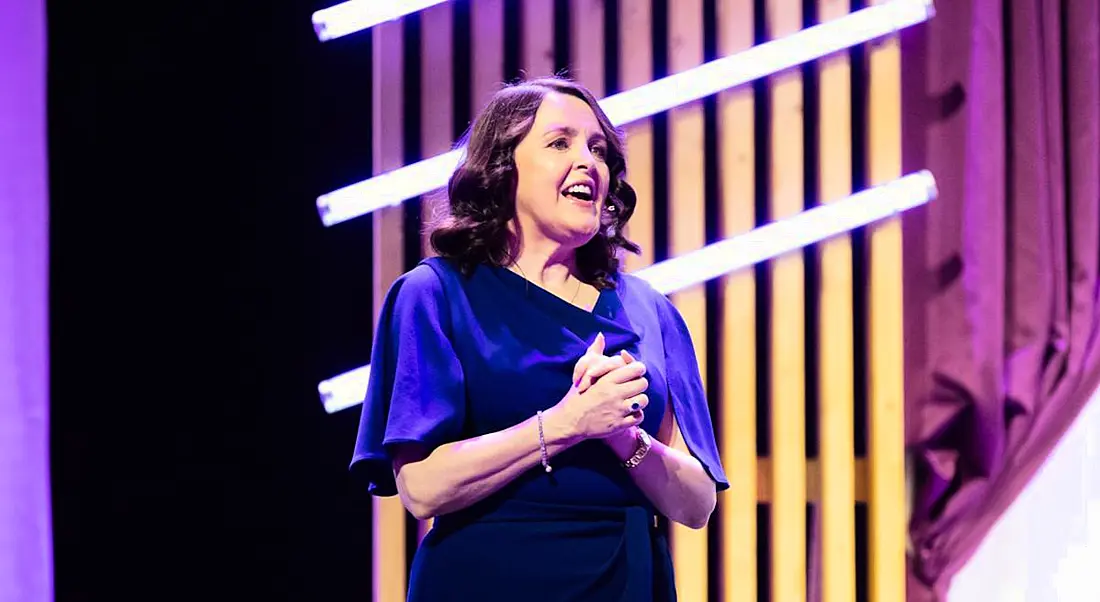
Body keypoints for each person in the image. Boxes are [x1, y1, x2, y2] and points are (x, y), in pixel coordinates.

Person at [350, 76, 728, 602]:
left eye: (598, 149)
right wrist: (567, 423)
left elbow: (696, 504)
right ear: (503, 170)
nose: (589, 162)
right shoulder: (435, 294)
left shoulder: (650, 311)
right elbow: (421, 488)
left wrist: (622, 436)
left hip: (626, 583)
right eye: (560, 143)